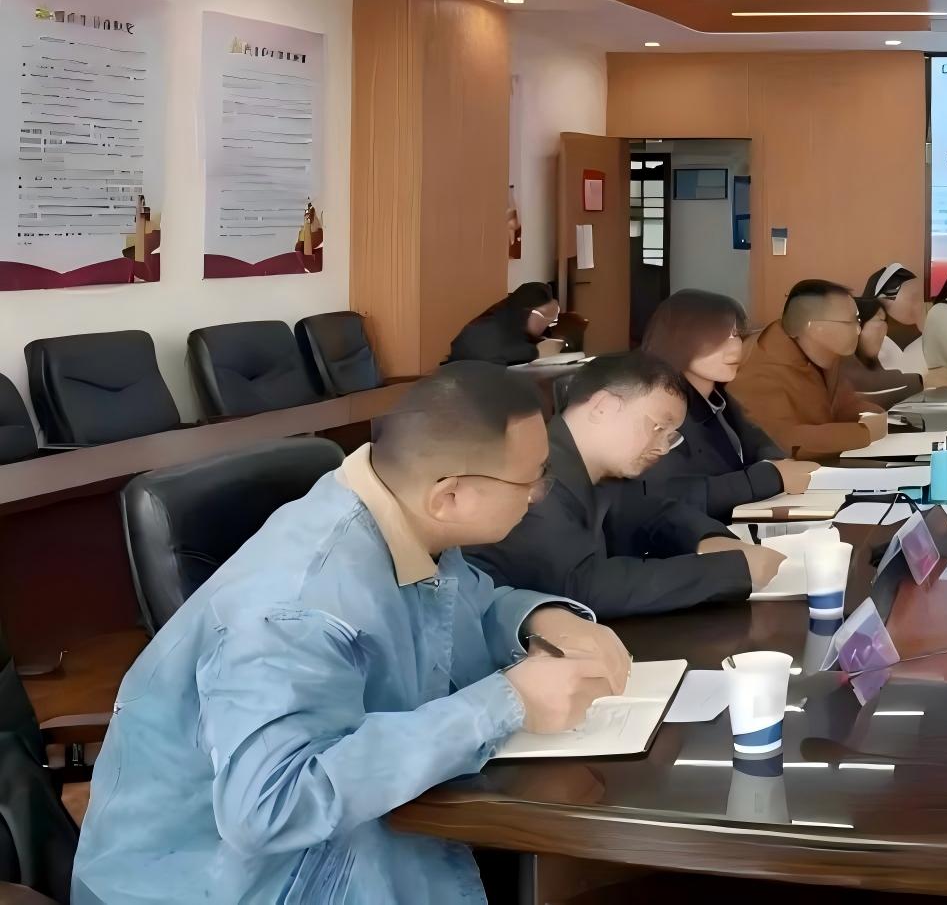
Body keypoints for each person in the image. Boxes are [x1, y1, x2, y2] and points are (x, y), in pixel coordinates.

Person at [73, 363, 630, 904]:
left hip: (342, 839)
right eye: (532, 480)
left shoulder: (404, 513)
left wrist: (539, 618)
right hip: (224, 878)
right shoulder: (297, 605)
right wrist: (503, 704)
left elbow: (457, 608)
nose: (538, 495)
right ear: (450, 496)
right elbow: (269, 807)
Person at [468, 351, 783, 619]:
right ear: (602, 407)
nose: (663, 448)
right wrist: (727, 571)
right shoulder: (533, 472)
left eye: (671, 436)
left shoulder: (601, 468)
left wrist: (708, 540)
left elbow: (654, 514)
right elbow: (582, 587)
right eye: (658, 428)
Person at [639, 289, 819, 517]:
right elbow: (669, 495)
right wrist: (767, 477)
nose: (734, 348)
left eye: (735, 335)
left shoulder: (720, 398)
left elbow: (760, 444)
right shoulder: (658, 408)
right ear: (677, 341)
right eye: (716, 338)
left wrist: (775, 466)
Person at [730, 279, 890, 458]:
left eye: (858, 320)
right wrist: (865, 433)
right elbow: (784, 442)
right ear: (814, 327)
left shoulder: (825, 352)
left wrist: (876, 416)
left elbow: (842, 406)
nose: (858, 330)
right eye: (850, 322)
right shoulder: (760, 370)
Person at [840, 296, 927, 408]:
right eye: (879, 319)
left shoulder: (871, 362)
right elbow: (871, 384)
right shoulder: (841, 364)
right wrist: (919, 380)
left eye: (884, 321)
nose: (883, 329)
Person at [445, 280, 560, 366]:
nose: (546, 324)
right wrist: (536, 352)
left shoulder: (516, 327)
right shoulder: (481, 331)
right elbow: (487, 351)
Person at [862, 262, 929, 372]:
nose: (917, 303)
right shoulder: (866, 344)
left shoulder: (928, 341)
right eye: (912, 297)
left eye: (917, 297)